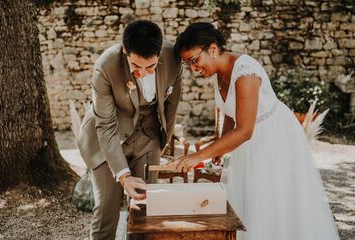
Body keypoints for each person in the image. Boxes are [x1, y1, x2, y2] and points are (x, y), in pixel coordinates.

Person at [169, 22, 339, 240]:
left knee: (271, 201)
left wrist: (197, 156)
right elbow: (231, 113)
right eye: (188, 64)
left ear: (212, 49)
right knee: (251, 201)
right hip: (250, 142)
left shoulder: (245, 72)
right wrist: (219, 148)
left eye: (194, 60)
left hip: (275, 138)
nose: (193, 68)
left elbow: (244, 131)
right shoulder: (219, 74)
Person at [77, 20, 182, 240]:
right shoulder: (105, 66)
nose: (143, 73)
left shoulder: (173, 58)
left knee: (144, 208)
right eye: (136, 67)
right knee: (107, 210)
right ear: (125, 51)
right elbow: (105, 125)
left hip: (148, 136)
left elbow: (171, 107)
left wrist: (161, 144)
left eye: (151, 67)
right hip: (107, 137)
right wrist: (123, 176)